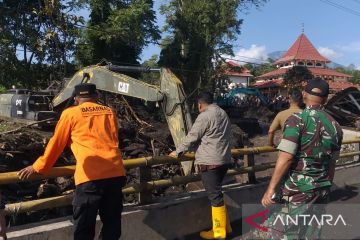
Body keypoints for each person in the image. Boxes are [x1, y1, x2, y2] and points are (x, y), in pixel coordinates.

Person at [18, 83, 126, 240]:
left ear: (76, 99)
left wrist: (39, 166)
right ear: (96, 96)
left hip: (91, 178)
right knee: (112, 226)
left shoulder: (70, 114)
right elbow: (113, 140)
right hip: (116, 173)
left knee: (83, 229)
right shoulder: (109, 112)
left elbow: (56, 144)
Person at [261, 78, 343, 239]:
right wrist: (325, 187)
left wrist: (270, 189)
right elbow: (332, 164)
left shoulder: (297, 120)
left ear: (304, 95)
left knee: (282, 232)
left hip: (298, 190)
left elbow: (286, 157)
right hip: (322, 188)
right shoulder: (336, 126)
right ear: (326, 99)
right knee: (311, 232)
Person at [169, 92, 232, 239]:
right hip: (224, 159)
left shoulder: (204, 115)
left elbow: (193, 136)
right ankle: (226, 227)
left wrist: (178, 151)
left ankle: (218, 232)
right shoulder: (223, 113)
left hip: (210, 161)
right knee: (217, 193)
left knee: (214, 196)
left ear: (200, 104)